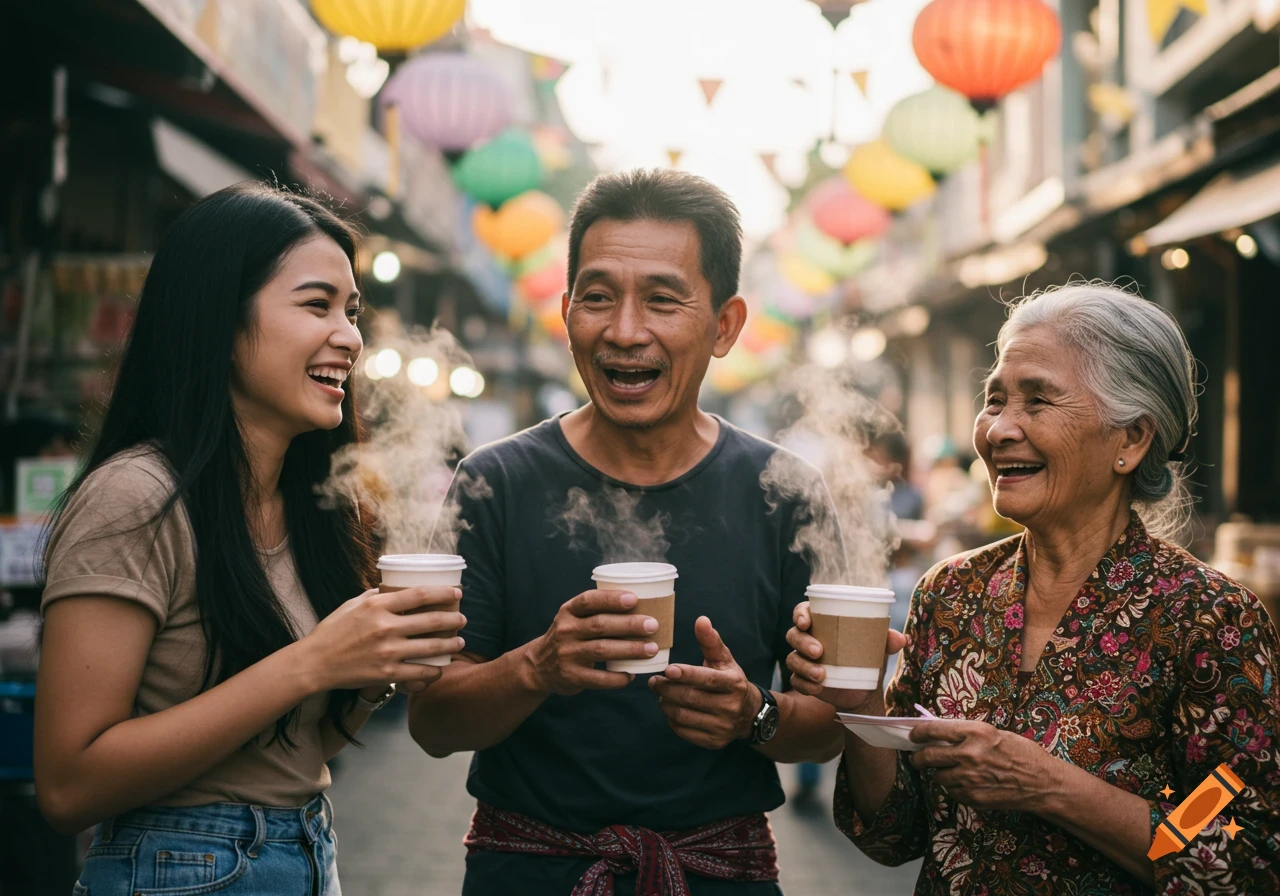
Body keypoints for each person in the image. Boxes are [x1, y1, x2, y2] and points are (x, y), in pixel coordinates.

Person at [410, 169, 845, 895]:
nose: (624, 331)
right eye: (599, 296)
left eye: (663, 300)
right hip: (529, 870)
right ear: (568, 308)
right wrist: (537, 667)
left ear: (725, 326)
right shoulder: (495, 484)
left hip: (718, 874)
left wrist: (755, 715)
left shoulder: (785, 493)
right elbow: (432, 724)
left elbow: (830, 727)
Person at [34, 183, 464, 895]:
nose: (350, 337)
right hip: (176, 867)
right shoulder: (135, 497)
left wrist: (370, 671)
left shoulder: (309, 505)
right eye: (317, 304)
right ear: (221, 321)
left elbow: (293, 753)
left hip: (304, 852)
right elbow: (68, 785)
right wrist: (314, 662)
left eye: (353, 312)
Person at [787, 282, 1280, 894]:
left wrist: (1048, 784)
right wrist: (859, 700)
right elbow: (894, 831)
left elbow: (1237, 850)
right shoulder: (953, 594)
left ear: (1131, 439)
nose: (997, 430)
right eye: (995, 400)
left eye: (1038, 401)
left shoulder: (1207, 617)